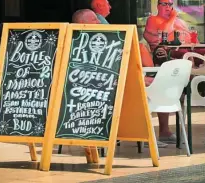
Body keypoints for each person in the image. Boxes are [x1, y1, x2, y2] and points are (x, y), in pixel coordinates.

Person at [72, 9, 173, 147]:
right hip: (98, 90)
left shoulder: (104, 39)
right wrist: (136, 79)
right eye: (94, 19)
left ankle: (159, 132)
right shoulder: (78, 45)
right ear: (82, 23)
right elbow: (100, 73)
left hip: (115, 83)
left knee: (158, 85)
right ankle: (146, 136)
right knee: (147, 89)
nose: (99, 22)